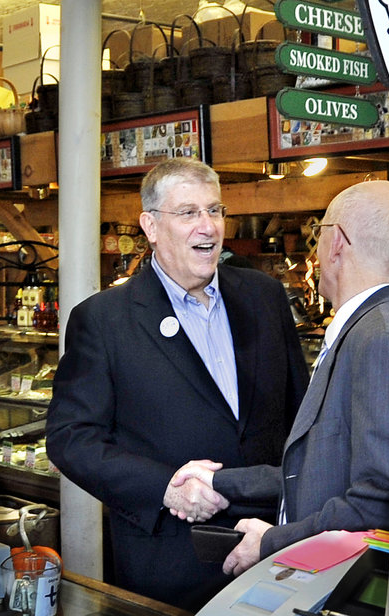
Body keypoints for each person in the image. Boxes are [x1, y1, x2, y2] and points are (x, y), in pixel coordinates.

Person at [45, 158, 309, 611]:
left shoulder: (264, 296)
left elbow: (299, 416)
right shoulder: (104, 320)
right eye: (188, 213)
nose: (207, 227)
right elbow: (71, 438)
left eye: (215, 210)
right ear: (150, 226)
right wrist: (165, 486)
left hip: (270, 548)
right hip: (171, 561)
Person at [171, 179, 389, 576]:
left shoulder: (382, 340)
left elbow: (383, 503)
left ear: (336, 242)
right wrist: (223, 483)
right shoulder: (369, 329)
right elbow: (325, 468)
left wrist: (271, 543)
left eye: (319, 233)